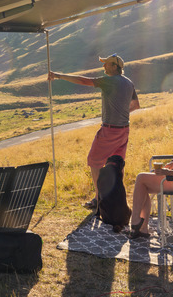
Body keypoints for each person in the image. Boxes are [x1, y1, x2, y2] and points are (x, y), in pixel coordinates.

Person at [48, 54, 140, 209]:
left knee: (94, 161)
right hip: (124, 130)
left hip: (109, 130)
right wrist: (122, 114)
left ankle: (99, 199)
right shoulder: (129, 83)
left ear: (115, 67)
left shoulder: (109, 81)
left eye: (107, 64)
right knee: (117, 165)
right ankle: (116, 199)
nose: (104, 67)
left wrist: (58, 76)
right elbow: (136, 105)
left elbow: (83, 80)